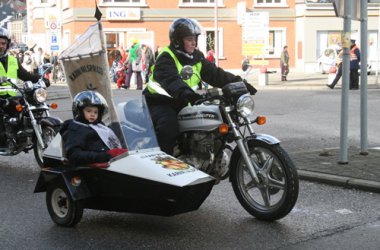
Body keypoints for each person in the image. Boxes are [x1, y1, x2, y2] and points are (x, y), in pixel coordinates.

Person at [142, 18, 257, 155]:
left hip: (183, 100)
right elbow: (172, 80)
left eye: (195, 38)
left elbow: (216, 74)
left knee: (218, 119)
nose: (194, 42)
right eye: (189, 39)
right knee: (169, 127)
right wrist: (189, 94)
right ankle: (162, 164)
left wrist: (240, 83)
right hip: (160, 102)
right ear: (177, 41)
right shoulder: (166, 57)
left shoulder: (196, 56)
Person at [60, 90, 128, 166]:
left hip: (112, 160)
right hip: (94, 168)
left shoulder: (100, 126)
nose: (92, 114)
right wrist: (104, 156)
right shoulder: (76, 129)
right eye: (89, 111)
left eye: (95, 112)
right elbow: (74, 155)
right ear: (79, 111)